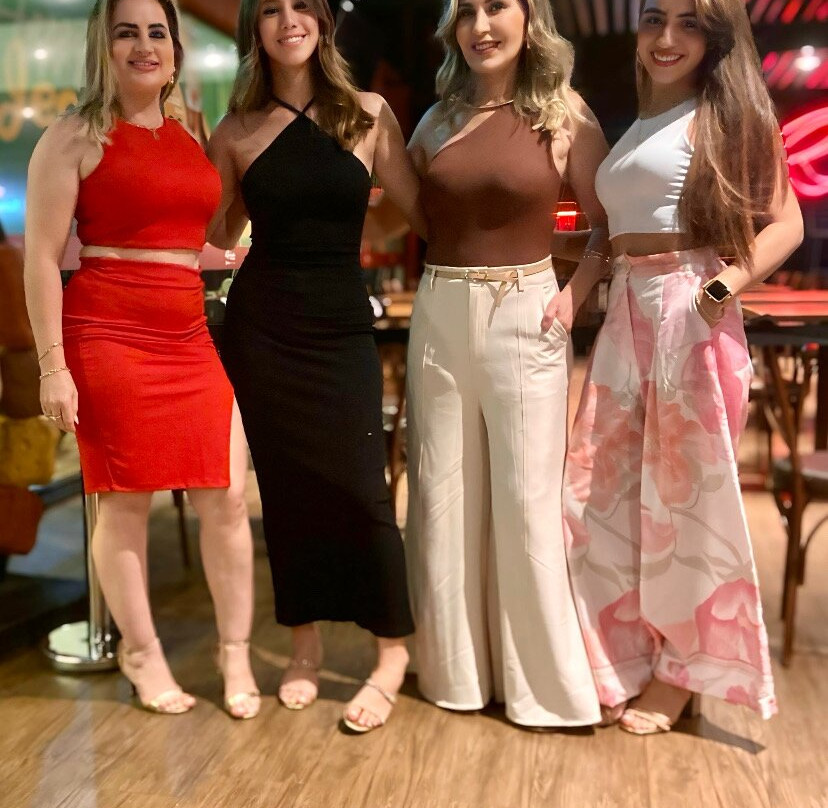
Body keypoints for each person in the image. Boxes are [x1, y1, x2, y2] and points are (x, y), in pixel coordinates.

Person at [562, 0, 804, 734]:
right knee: (599, 493)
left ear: (715, 38)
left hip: (688, 310)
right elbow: (612, 232)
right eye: (654, 20)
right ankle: (622, 657)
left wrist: (724, 286)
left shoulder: (727, 117)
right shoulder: (639, 123)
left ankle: (682, 674)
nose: (666, 38)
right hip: (628, 312)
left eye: (689, 24)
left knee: (687, 505)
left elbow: (787, 221)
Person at [24, 0, 260, 719]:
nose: (144, 45)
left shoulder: (190, 130)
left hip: (188, 333)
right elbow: (40, 259)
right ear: (104, 45)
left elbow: (191, 236)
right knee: (124, 503)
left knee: (227, 496)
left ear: (175, 49)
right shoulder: (72, 135)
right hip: (108, 333)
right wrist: (52, 365)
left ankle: (235, 651)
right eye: (126, 32)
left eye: (157, 32)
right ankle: (142, 651)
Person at [207, 0, 422, 733]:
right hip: (263, 327)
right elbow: (217, 231)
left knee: (364, 488)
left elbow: (415, 211)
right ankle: (304, 644)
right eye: (270, 9)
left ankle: (390, 651)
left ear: (324, 22)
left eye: (302, 5)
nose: (288, 19)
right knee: (287, 493)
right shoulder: (234, 130)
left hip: (340, 325)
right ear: (255, 30)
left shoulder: (367, 114)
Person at [405, 0, 608, 728]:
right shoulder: (435, 121)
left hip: (527, 308)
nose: (481, 25)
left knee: (526, 503)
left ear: (530, 20)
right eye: (466, 11)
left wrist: (572, 297)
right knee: (439, 496)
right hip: (439, 306)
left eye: (497, 6)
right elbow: (416, 218)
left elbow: (606, 228)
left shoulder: (564, 114)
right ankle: (454, 675)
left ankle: (545, 692)